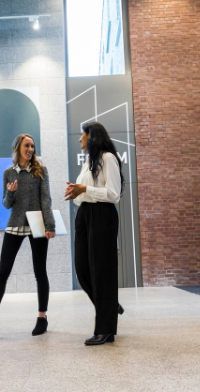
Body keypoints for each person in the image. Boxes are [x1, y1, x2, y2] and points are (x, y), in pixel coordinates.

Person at [0, 134, 56, 337]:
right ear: (18, 148)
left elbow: (46, 199)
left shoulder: (40, 171)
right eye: (26, 145)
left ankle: (42, 317)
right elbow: (5, 204)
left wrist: (50, 225)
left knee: (40, 272)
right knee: (2, 271)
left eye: (32, 146)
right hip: (14, 225)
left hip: (37, 225)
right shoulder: (8, 173)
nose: (30, 149)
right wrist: (11, 192)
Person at [64, 122, 125, 346]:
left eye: (83, 136)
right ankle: (109, 305)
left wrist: (86, 190)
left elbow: (113, 194)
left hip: (102, 216)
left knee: (102, 272)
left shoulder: (108, 158)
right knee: (82, 268)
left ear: (92, 137)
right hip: (85, 215)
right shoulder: (88, 161)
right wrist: (76, 192)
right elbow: (83, 192)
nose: (80, 139)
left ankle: (105, 330)